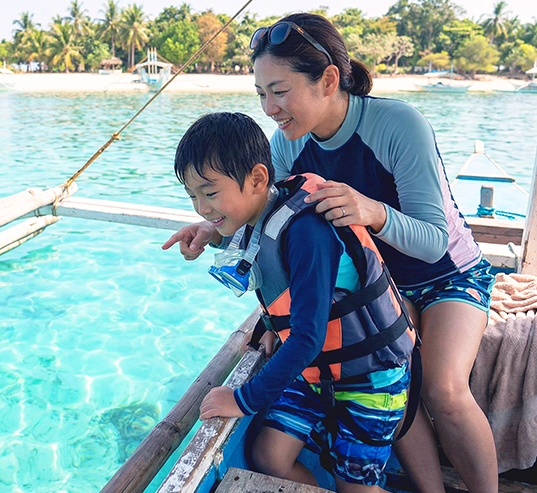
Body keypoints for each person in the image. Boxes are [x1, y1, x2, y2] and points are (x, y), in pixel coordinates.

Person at [169, 13, 499, 493]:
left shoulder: (397, 124)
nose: (270, 108)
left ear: (327, 80)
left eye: (279, 91)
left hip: (445, 275)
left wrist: (371, 210)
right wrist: (212, 231)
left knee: (443, 389)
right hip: (372, 280)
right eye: (261, 93)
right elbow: (265, 216)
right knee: (387, 370)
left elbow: (432, 243)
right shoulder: (286, 145)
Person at [163, 112, 417, 491]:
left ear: (258, 179)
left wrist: (244, 399)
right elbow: (272, 273)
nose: (201, 207)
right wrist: (211, 237)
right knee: (269, 457)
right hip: (319, 373)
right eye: (192, 195)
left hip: (371, 379)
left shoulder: (307, 232)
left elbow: (308, 336)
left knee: (355, 486)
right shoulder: (263, 213)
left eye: (210, 192)